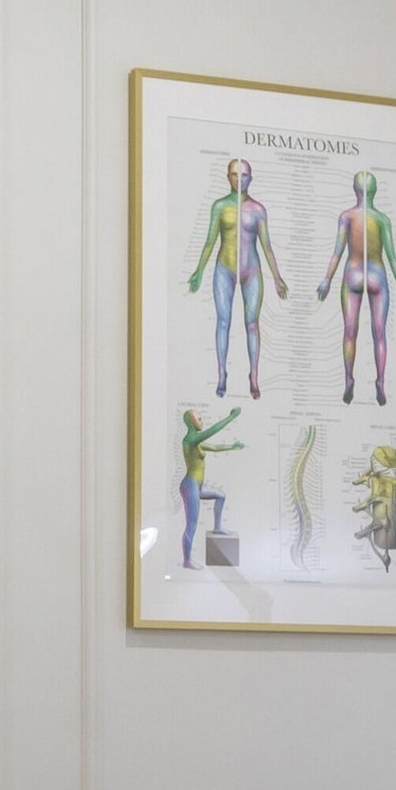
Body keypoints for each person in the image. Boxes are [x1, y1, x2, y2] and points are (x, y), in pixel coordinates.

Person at [314, 168, 396, 403]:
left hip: (353, 274)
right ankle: (379, 381)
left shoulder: (347, 216)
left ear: (355, 190)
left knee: (350, 332)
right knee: (379, 334)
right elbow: (391, 257)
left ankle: (349, 379)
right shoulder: (382, 219)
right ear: (375, 191)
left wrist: (327, 279)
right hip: (377, 275)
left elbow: (337, 251)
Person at [184, 156, 280, 397]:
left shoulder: (258, 209)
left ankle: (254, 375)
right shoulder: (219, 206)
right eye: (235, 175)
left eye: (245, 175)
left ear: (251, 178)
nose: (240, 179)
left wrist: (278, 278)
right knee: (223, 322)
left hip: (252, 270)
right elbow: (210, 241)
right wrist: (198, 270)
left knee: (252, 324)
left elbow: (267, 246)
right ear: (228, 177)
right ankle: (221, 374)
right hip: (224, 269)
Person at [177, 405, 244, 569]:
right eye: (198, 419)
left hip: (197, 487)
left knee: (221, 496)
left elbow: (214, 447)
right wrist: (231, 417)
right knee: (192, 525)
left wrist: (232, 446)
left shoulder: (197, 442)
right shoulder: (190, 440)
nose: (202, 421)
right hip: (190, 485)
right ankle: (187, 561)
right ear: (191, 423)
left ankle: (218, 526)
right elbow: (213, 430)